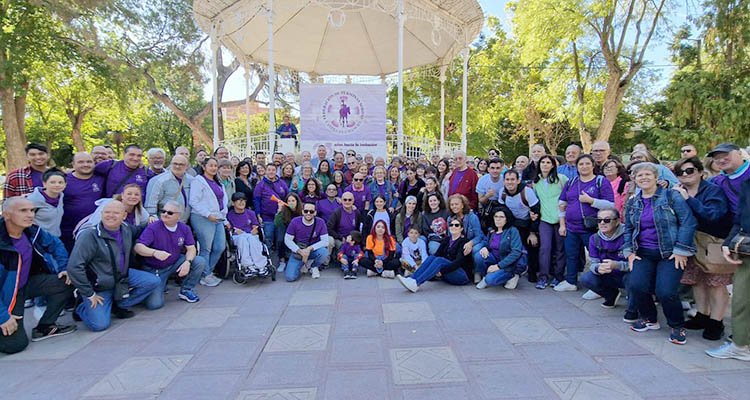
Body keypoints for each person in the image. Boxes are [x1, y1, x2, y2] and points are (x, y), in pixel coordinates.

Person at [623, 162, 697, 345]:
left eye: (648, 174)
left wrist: (681, 250)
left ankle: (677, 325)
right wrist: (629, 252)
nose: (644, 178)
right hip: (643, 253)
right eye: (639, 175)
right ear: (634, 179)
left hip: (670, 253)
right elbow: (628, 228)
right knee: (636, 286)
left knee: (666, 291)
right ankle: (650, 319)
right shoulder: (633, 201)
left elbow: (688, 222)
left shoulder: (671, 196)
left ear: (657, 177)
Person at [68, 200, 160, 331]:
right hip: (100, 286)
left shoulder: (126, 229)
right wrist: (89, 293)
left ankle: (117, 303)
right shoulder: (89, 235)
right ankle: (82, 307)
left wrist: (155, 220)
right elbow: (74, 267)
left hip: (122, 278)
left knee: (153, 281)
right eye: (107, 212)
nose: (110, 215)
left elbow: (140, 229)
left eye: (116, 213)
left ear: (124, 216)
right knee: (99, 325)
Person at [0, 197, 75, 354]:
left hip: (26, 285)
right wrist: (3, 316)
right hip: (6, 295)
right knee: (15, 345)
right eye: (23, 211)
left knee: (67, 281)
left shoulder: (32, 231)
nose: (30, 215)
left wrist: (64, 267)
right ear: (6, 214)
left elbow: (56, 244)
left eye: (32, 210)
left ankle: (45, 327)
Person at [673, 157, 733, 340]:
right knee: (697, 280)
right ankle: (702, 315)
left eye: (689, 170)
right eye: (680, 172)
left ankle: (716, 322)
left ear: (700, 172)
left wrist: (689, 200)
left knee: (716, 282)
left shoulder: (713, 190)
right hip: (690, 242)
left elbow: (713, 215)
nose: (685, 175)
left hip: (713, 240)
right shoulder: (677, 191)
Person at [555, 154, 615, 292]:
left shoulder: (601, 181)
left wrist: (591, 201)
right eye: (581, 164)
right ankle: (571, 281)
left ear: (593, 165)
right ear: (577, 167)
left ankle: (600, 286)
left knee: (597, 256)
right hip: (571, 227)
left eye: (587, 163)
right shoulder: (571, 182)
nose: (584, 166)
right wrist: (562, 224)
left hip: (591, 228)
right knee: (571, 255)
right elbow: (562, 203)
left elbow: (611, 205)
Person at [706, 177, 750, 360]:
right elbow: (740, 216)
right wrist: (728, 242)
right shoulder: (748, 183)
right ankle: (740, 345)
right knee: (742, 300)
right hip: (747, 251)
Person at [134, 201, 206, 308]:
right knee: (154, 304)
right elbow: (138, 247)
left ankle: (186, 289)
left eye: (170, 213)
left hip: (174, 263)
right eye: (163, 211)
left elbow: (191, 248)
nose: (165, 214)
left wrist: (187, 262)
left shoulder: (184, 228)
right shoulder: (153, 227)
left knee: (199, 261)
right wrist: (154, 253)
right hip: (155, 269)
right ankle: (154, 288)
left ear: (179, 216)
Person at [579, 208, 637, 316]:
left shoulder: (628, 236)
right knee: (586, 278)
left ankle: (633, 309)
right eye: (599, 220)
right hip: (608, 274)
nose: (602, 223)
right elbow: (593, 263)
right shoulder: (594, 238)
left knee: (633, 279)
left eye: (607, 220)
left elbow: (636, 264)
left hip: (627, 274)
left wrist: (617, 265)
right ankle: (611, 295)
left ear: (617, 221)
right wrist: (598, 268)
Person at [396, 217, 471, 292]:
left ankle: (416, 283)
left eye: (456, 225)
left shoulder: (464, 242)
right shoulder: (447, 240)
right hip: (448, 273)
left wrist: (441, 271)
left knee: (439, 260)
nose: (453, 227)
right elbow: (436, 254)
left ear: (461, 229)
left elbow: (458, 262)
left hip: (462, 275)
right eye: (451, 225)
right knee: (432, 257)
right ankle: (412, 279)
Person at [189, 157, 229, 287]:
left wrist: (223, 216)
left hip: (218, 218)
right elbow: (193, 201)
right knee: (206, 248)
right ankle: (205, 275)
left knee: (219, 247)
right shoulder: (198, 181)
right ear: (204, 167)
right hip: (202, 218)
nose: (213, 168)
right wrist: (207, 214)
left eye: (215, 166)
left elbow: (223, 202)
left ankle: (208, 271)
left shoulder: (218, 182)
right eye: (210, 165)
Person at [498, 169, 541, 282]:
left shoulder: (527, 192)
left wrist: (532, 233)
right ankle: (510, 269)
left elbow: (536, 211)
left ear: (518, 181)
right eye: (507, 179)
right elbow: (503, 211)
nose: (510, 182)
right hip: (513, 222)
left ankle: (532, 272)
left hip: (529, 222)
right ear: (504, 181)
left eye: (513, 179)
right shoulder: (502, 192)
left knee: (532, 245)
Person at [533, 155, 568, 289]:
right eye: (543, 162)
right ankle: (543, 277)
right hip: (544, 219)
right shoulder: (536, 182)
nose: (545, 165)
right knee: (545, 248)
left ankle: (558, 276)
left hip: (560, 219)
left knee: (560, 249)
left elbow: (567, 198)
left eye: (548, 162)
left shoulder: (562, 179)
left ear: (553, 165)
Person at [61, 152, 104, 251]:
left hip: (96, 231)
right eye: (81, 162)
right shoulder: (63, 180)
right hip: (69, 232)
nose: (85, 164)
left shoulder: (101, 178)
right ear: (73, 164)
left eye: (89, 161)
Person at [475, 207, 526, 290]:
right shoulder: (492, 231)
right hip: (494, 259)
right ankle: (486, 276)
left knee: (490, 280)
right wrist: (485, 248)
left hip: (508, 264)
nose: (498, 219)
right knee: (478, 256)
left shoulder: (513, 231)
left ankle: (513, 275)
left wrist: (498, 266)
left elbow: (516, 252)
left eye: (501, 217)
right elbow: (489, 244)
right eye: (496, 216)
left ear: (507, 219)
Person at [284, 202, 330, 281]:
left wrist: (309, 249)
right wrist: (299, 251)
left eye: (311, 211)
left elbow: (325, 241)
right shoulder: (295, 222)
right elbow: (287, 240)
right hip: (299, 250)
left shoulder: (320, 222)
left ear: (315, 212)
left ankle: (313, 266)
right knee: (290, 277)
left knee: (324, 252)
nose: (308, 213)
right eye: (306, 211)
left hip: (313, 250)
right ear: (302, 212)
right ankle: (302, 265)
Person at [226, 192, 269, 276]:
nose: (241, 202)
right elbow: (229, 228)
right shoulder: (229, 215)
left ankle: (261, 266)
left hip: (250, 235)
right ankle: (248, 266)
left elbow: (256, 226)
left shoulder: (250, 213)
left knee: (252, 239)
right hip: (237, 236)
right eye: (238, 200)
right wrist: (234, 230)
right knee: (243, 239)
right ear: (233, 203)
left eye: (243, 200)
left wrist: (255, 229)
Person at [448, 194, 485, 284]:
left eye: (456, 204)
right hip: (461, 242)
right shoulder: (450, 219)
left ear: (463, 205)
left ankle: (477, 272)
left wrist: (470, 243)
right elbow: (450, 236)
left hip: (475, 241)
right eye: (452, 204)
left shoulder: (472, 217)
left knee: (475, 250)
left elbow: (479, 235)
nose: (454, 206)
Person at [144, 155, 193, 223]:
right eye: (175, 163)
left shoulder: (191, 180)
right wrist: (152, 217)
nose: (177, 166)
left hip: (184, 223)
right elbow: (151, 203)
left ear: (187, 166)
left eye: (181, 164)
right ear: (170, 164)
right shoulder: (159, 181)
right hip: (164, 222)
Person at [254, 164, 290, 252]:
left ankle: (280, 255)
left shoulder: (282, 183)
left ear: (276, 171)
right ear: (266, 171)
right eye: (269, 170)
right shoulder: (260, 185)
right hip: (267, 216)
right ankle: (268, 256)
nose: (271, 172)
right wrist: (258, 215)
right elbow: (256, 200)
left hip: (280, 216)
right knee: (268, 237)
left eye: (273, 170)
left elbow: (288, 196)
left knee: (280, 238)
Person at [708, 143, 750, 215]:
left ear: (739, 153)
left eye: (725, 155)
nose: (721, 160)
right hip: (740, 223)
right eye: (716, 158)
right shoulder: (717, 181)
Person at [27, 169, 66, 237]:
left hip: (55, 238)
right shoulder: (33, 200)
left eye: (60, 182)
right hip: (38, 240)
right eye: (52, 182)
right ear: (44, 183)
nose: (57, 185)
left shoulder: (60, 196)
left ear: (65, 184)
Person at [275, 193, 303, 272]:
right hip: (287, 232)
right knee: (280, 239)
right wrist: (279, 210)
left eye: (293, 200)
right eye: (289, 201)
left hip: (299, 232)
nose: (291, 202)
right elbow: (277, 223)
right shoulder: (284, 211)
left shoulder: (302, 210)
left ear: (297, 201)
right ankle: (282, 261)